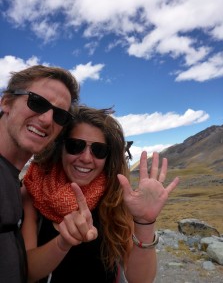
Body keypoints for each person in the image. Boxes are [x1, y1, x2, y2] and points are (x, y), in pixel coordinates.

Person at [22, 105, 180, 283]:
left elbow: (140, 280)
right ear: (61, 148)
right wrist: (62, 243)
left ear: (108, 157)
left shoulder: (116, 197)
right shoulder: (34, 191)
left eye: (98, 150)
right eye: (76, 146)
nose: (86, 158)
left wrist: (144, 222)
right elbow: (27, 272)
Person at [0, 65, 79, 283]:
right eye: (37, 102)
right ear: (6, 102)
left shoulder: (17, 184)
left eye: (60, 115)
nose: (46, 120)